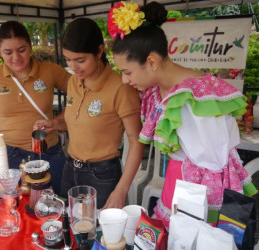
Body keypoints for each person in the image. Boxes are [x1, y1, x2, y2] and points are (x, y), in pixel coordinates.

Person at [110, 1, 258, 228]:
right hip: (177, 182)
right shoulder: (158, 91)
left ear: (151, 62)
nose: (124, 80)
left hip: (198, 194)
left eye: (127, 72)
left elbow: (215, 164)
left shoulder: (200, 96)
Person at [34, 18, 144, 209]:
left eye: (80, 60)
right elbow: (76, 121)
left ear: (99, 51)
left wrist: (121, 190)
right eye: (68, 60)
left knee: (99, 233)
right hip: (71, 168)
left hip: (102, 174)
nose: (74, 67)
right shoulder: (74, 82)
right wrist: (54, 124)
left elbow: (137, 141)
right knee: (69, 227)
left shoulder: (121, 88)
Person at [0, 21, 70, 195]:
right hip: (11, 157)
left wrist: (59, 120)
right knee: (17, 207)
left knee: (56, 204)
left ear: (30, 47)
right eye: (8, 52)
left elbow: (81, 94)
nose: (16, 57)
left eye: (21, 50)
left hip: (49, 153)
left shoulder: (50, 71)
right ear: (0, 52)